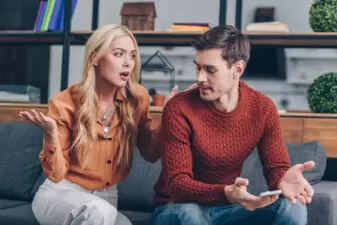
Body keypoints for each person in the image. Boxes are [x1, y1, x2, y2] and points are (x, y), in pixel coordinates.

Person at [151, 25, 315, 225]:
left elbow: (276, 167)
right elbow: (178, 185)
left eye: (210, 70)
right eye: (198, 67)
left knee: (293, 206)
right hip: (176, 207)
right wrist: (229, 193)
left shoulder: (263, 108)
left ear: (237, 69)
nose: (199, 78)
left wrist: (282, 181)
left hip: (228, 210)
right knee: (191, 216)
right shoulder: (179, 107)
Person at [19, 24, 179, 225]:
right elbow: (57, 174)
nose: (128, 63)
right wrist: (51, 137)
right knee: (99, 213)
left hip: (107, 199)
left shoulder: (137, 98)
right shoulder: (65, 102)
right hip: (61, 193)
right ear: (94, 57)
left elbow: (150, 153)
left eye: (131, 55)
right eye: (119, 54)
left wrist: (168, 116)